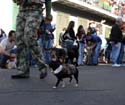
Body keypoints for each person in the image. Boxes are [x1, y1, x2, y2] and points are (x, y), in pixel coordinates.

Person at [11, 0, 52, 79]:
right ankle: (23, 70)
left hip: (35, 10)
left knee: (29, 38)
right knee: (19, 39)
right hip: (22, 10)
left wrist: (48, 14)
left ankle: (42, 66)